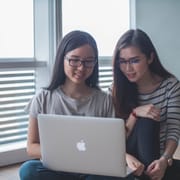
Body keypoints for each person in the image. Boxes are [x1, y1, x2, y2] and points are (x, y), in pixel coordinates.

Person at [19, 30, 143, 180]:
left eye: (88, 61)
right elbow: (31, 147)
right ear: (62, 59)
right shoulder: (42, 98)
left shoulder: (104, 100)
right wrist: (69, 151)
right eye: (74, 60)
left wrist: (124, 156)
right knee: (28, 170)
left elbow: (109, 145)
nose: (81, 67)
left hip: (94, 171)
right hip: (56, 170)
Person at [111, 28, 180, 180]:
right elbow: (114, 139)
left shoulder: (170, 86)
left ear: (150, 58)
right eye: (122, 62)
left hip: (157, 156)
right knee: (146, 121)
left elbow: (174, 129)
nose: (128, 68)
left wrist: (164, 159)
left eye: (135, 60)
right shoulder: (115, 90)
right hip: (126, 156)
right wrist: (135, 114)